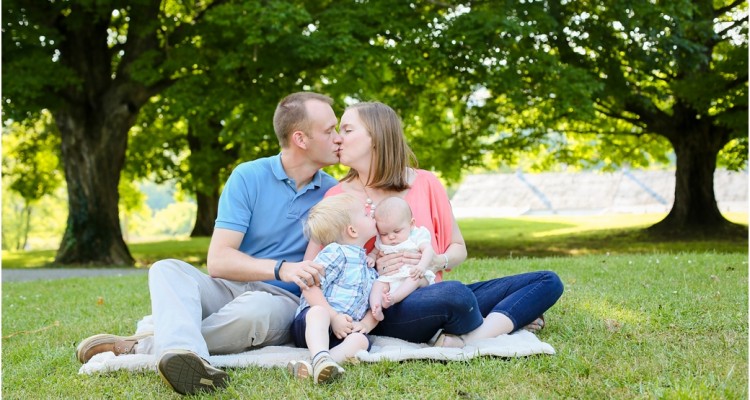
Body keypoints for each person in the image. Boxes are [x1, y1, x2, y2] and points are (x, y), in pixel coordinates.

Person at [75, 92, 342, 395]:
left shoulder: (333, 193)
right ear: (300, 139)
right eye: (329, 130)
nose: (338, 138)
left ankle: (148, 345)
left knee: (255, 310)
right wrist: (282, 268)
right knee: (166, 269)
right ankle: (183, 352)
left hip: (281, 301)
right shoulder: (248, 176)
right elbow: (218, 261)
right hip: (229, 287)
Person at [308, 101, 563, 348]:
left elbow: (458, 248)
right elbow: (311, 270)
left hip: (430, 292)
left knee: (548, 281)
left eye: (347, 130)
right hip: (382, 307)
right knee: (456, 295)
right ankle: (500, 318)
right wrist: (375, 268)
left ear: (376, 137)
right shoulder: (337, 197)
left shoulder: (426, 183)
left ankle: (471, 338)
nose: (338, 138)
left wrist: (432, 262)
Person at [287, 193, 379, 384]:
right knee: (318, 312)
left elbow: (374, 304)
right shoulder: (335, 252)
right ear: (352, 230)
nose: (371, 213)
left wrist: (364, 324)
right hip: (311, 326)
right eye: (365, 214)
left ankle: (322, 364)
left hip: (341, 332)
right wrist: (334, 317)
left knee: (361, 340)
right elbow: (309, 286)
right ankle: (320, 356)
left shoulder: (367, 265)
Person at [367, 196, 436, 321]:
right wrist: (371, 257)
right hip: (391, 276)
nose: (391, 237)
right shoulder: (381, 240)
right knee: (377, 284)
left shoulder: (416, 235)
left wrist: (421, 266)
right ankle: (376, 307)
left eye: (397, 231)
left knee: (414, 279)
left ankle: (393, 298)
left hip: (413, 273)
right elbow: (375, 251)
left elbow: (428, 250)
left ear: (411, 224)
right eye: (384, 234)